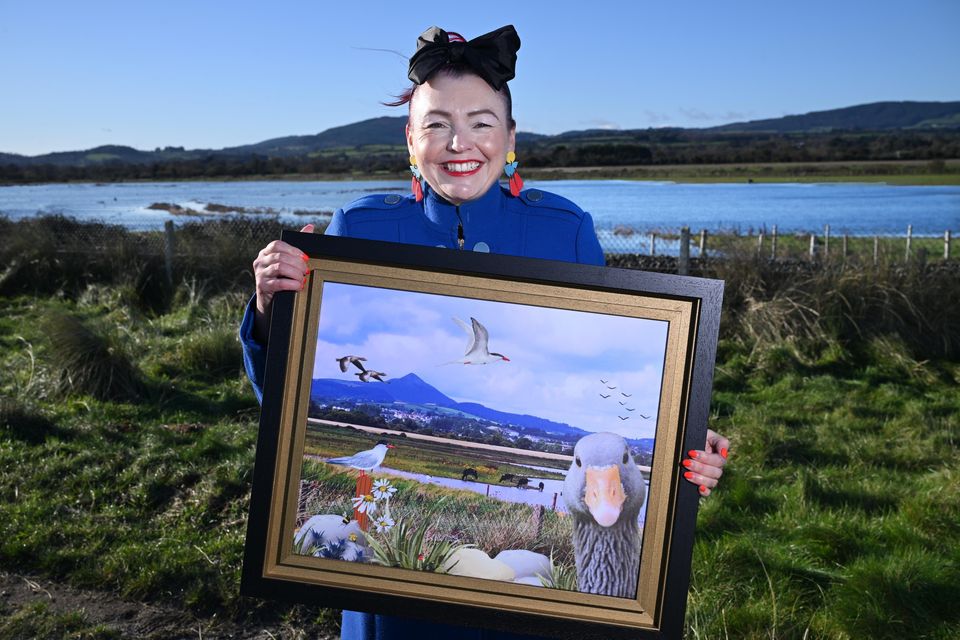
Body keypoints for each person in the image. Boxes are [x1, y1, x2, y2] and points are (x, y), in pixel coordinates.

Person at [240, 24, 729, 640]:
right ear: (410, 139)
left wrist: (683, 439)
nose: (459, 143)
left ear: (511, 137)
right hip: (397, 610)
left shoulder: (566, 232)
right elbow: (286, 403)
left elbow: (614, 371)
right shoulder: (356, 231)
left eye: (481, 121)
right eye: (437, 123)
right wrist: (267, 308)